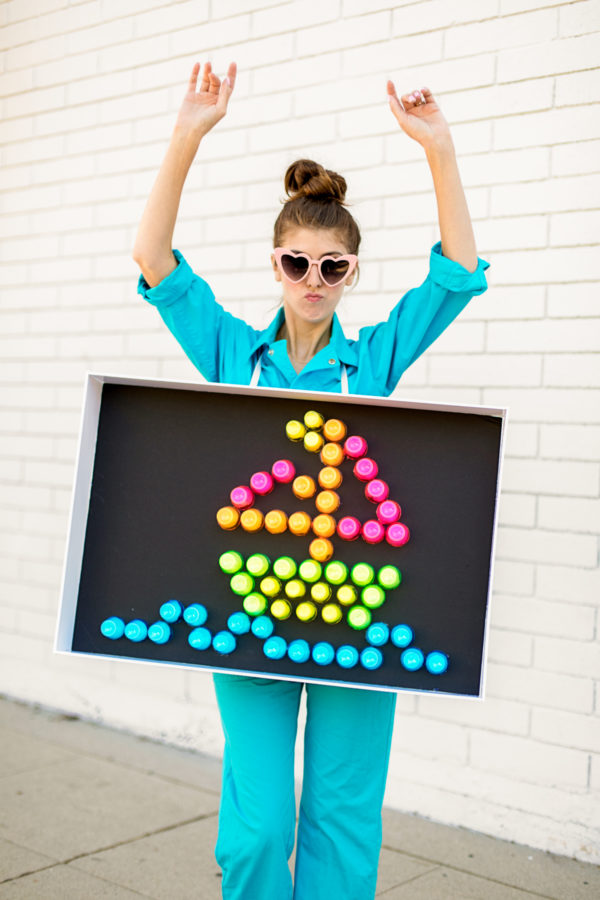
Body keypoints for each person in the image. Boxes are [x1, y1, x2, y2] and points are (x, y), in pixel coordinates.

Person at [133, 61, 489, 900]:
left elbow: (456, 274)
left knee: (340, 826)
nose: (314, 283)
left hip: (358, 629)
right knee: (255, 832)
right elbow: (154, 260)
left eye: (335, 268)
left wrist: (437, 147)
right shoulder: (231, 355)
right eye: (299, 264)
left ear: (353, 273)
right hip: (250, 625)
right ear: (276, 264)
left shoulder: (374, 363)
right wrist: (189, 131)